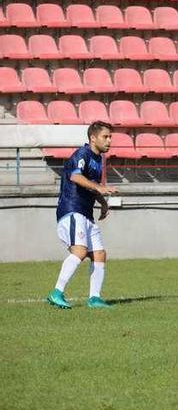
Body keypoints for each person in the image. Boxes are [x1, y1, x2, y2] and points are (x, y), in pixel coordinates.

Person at [47, 121, 116, 309]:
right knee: (80, 251)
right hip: (72, 209)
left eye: (110, 137)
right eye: (105, 136)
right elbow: (76, 177)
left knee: (99, 254)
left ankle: (94, 299)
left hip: (86, 213)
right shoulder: (82, 154)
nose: (109, 140)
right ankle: (56, 292)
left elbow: (90, 185)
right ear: (93, 138)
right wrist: (100, 188)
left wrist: (102, 202)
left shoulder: (98, 160)